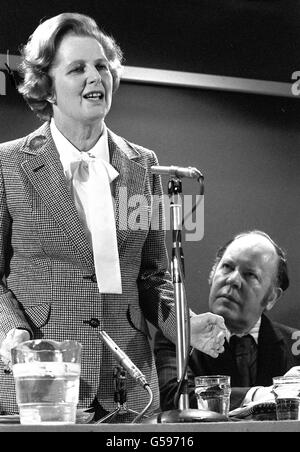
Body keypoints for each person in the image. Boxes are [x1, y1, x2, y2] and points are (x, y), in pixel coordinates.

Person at [0, 13, 227, 421]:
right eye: (77, 68)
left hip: (131, 391)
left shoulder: (144, 166)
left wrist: (185, 325)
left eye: (102, 65)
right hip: (40, 387)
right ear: (47, 87)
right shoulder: (8, 164)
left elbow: (153, 278)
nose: (95, 77)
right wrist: (11, 335)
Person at [154, 230, 300, 412]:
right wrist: (256, 396)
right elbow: (174, 399)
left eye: (250, 275)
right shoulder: (179, 335)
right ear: (212, 274)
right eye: (227, 267)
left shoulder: (296, 345)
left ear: (271, 297)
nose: (233, 280)